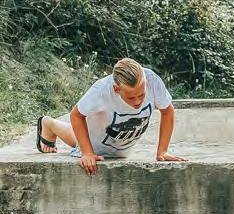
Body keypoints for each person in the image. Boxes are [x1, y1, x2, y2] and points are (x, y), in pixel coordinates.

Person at [35, 57, 187, 175]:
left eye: (141, 95)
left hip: (121, 145)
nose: (138, 102)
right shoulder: (101, 91)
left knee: (84, 141)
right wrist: (87, 152)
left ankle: (50, 123)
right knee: (79, 144)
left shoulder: (152, 80)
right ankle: (49, 124)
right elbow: (76, 115)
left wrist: (162, 151)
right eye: (131, 97)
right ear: (116, 89)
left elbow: (168, 111)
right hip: (95, 142)